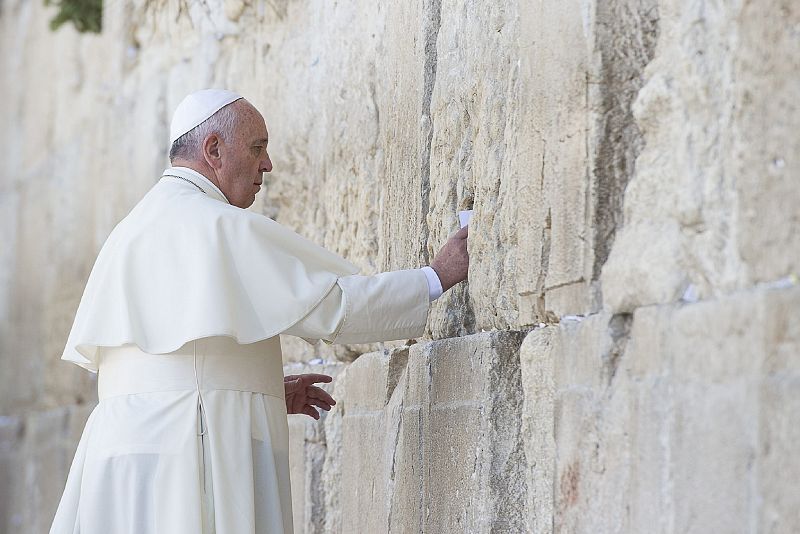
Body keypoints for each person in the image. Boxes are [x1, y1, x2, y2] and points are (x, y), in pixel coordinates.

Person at [49, 89, 469, 534]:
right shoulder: (218, 225)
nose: (266, 164)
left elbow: (170, 367)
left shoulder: (128, 230)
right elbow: (334, 307)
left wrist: (258, 387)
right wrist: (434, 277)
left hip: (118, 459)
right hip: (192, 448)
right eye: (257, 147)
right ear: (213, 150)